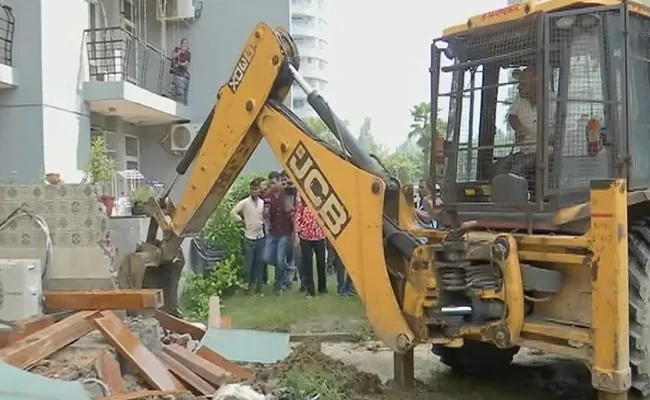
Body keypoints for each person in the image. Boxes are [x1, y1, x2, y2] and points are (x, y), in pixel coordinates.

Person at [230, 178, 265, 294]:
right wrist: (241, 221)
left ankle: (259, 285)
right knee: (249, 262)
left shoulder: (262, 203)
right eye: (252, 189)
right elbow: (233, 212)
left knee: (259, 262)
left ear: (259, 190)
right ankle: (248, 285)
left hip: (260, 236)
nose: (254, 191)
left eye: (256, 189)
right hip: (249, 237)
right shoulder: (245, 203)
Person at [263, 171, 294, 293]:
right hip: (272, 231)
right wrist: (265, 214)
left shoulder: (287, 193)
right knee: (267, 258)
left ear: (280, 181)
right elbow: (265, 214)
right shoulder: (267, 196)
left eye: (274, 183)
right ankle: (289, 268)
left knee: (280, 259)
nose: (272, 185)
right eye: (271, 183)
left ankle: (280, 285)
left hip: (285, 232)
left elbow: (289, 209)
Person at [293, 195, 327, 297]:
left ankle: (322, 287)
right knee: (307, 264)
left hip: (319, 237)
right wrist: (296, 234)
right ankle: (310, 289)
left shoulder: (320, 204)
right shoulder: (302, 205)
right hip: (306, 238)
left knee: (321, 262)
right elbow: (297, 220)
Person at [171, 38, 191, 103]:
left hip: (183, 74)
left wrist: (180, 64)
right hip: (176, 72)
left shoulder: (188, 54)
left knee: (181, 90)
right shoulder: (177, 49)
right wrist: (179, 53)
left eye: (185, 44)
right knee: (175, 88)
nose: (184, 45)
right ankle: (175, 99)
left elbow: (186, 63)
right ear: (181, 44)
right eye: (183, 43)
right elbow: (173, 56)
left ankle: (180, 101)